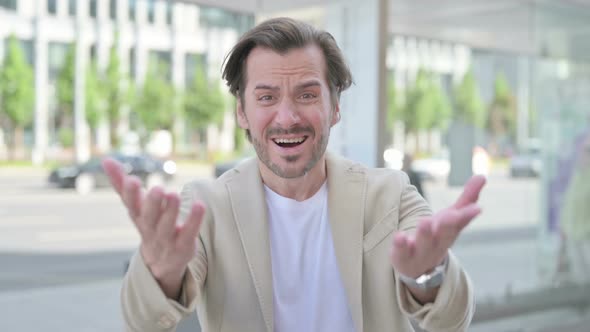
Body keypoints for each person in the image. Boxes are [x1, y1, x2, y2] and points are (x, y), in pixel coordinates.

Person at [103, 17, 486, 332]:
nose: (287, 118)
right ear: (242, 113)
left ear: (335, 106)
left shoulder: (390, 194)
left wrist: (427, 277)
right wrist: (161, 274)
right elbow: (144, 322)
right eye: (266, 97)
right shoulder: (207, 205)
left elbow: (453, 320)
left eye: (306, 95)